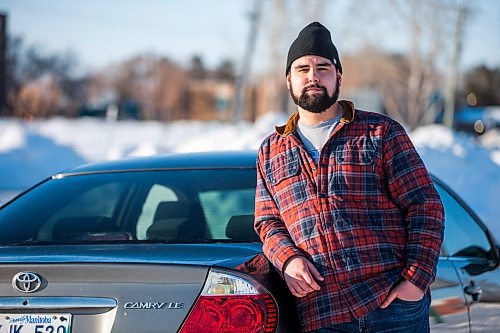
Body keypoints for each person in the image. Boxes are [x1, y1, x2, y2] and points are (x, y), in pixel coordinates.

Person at [254, 22, 445, 333]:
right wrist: (287, 259)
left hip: (391, 305)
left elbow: (425, 206)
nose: (313, 75)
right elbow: (267, 222)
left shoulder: (380, 132)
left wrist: (415, 280)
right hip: (323, 311)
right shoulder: (271, 151)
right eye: (302, 68)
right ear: (289, 80)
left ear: (338, 76)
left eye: (323, 67)